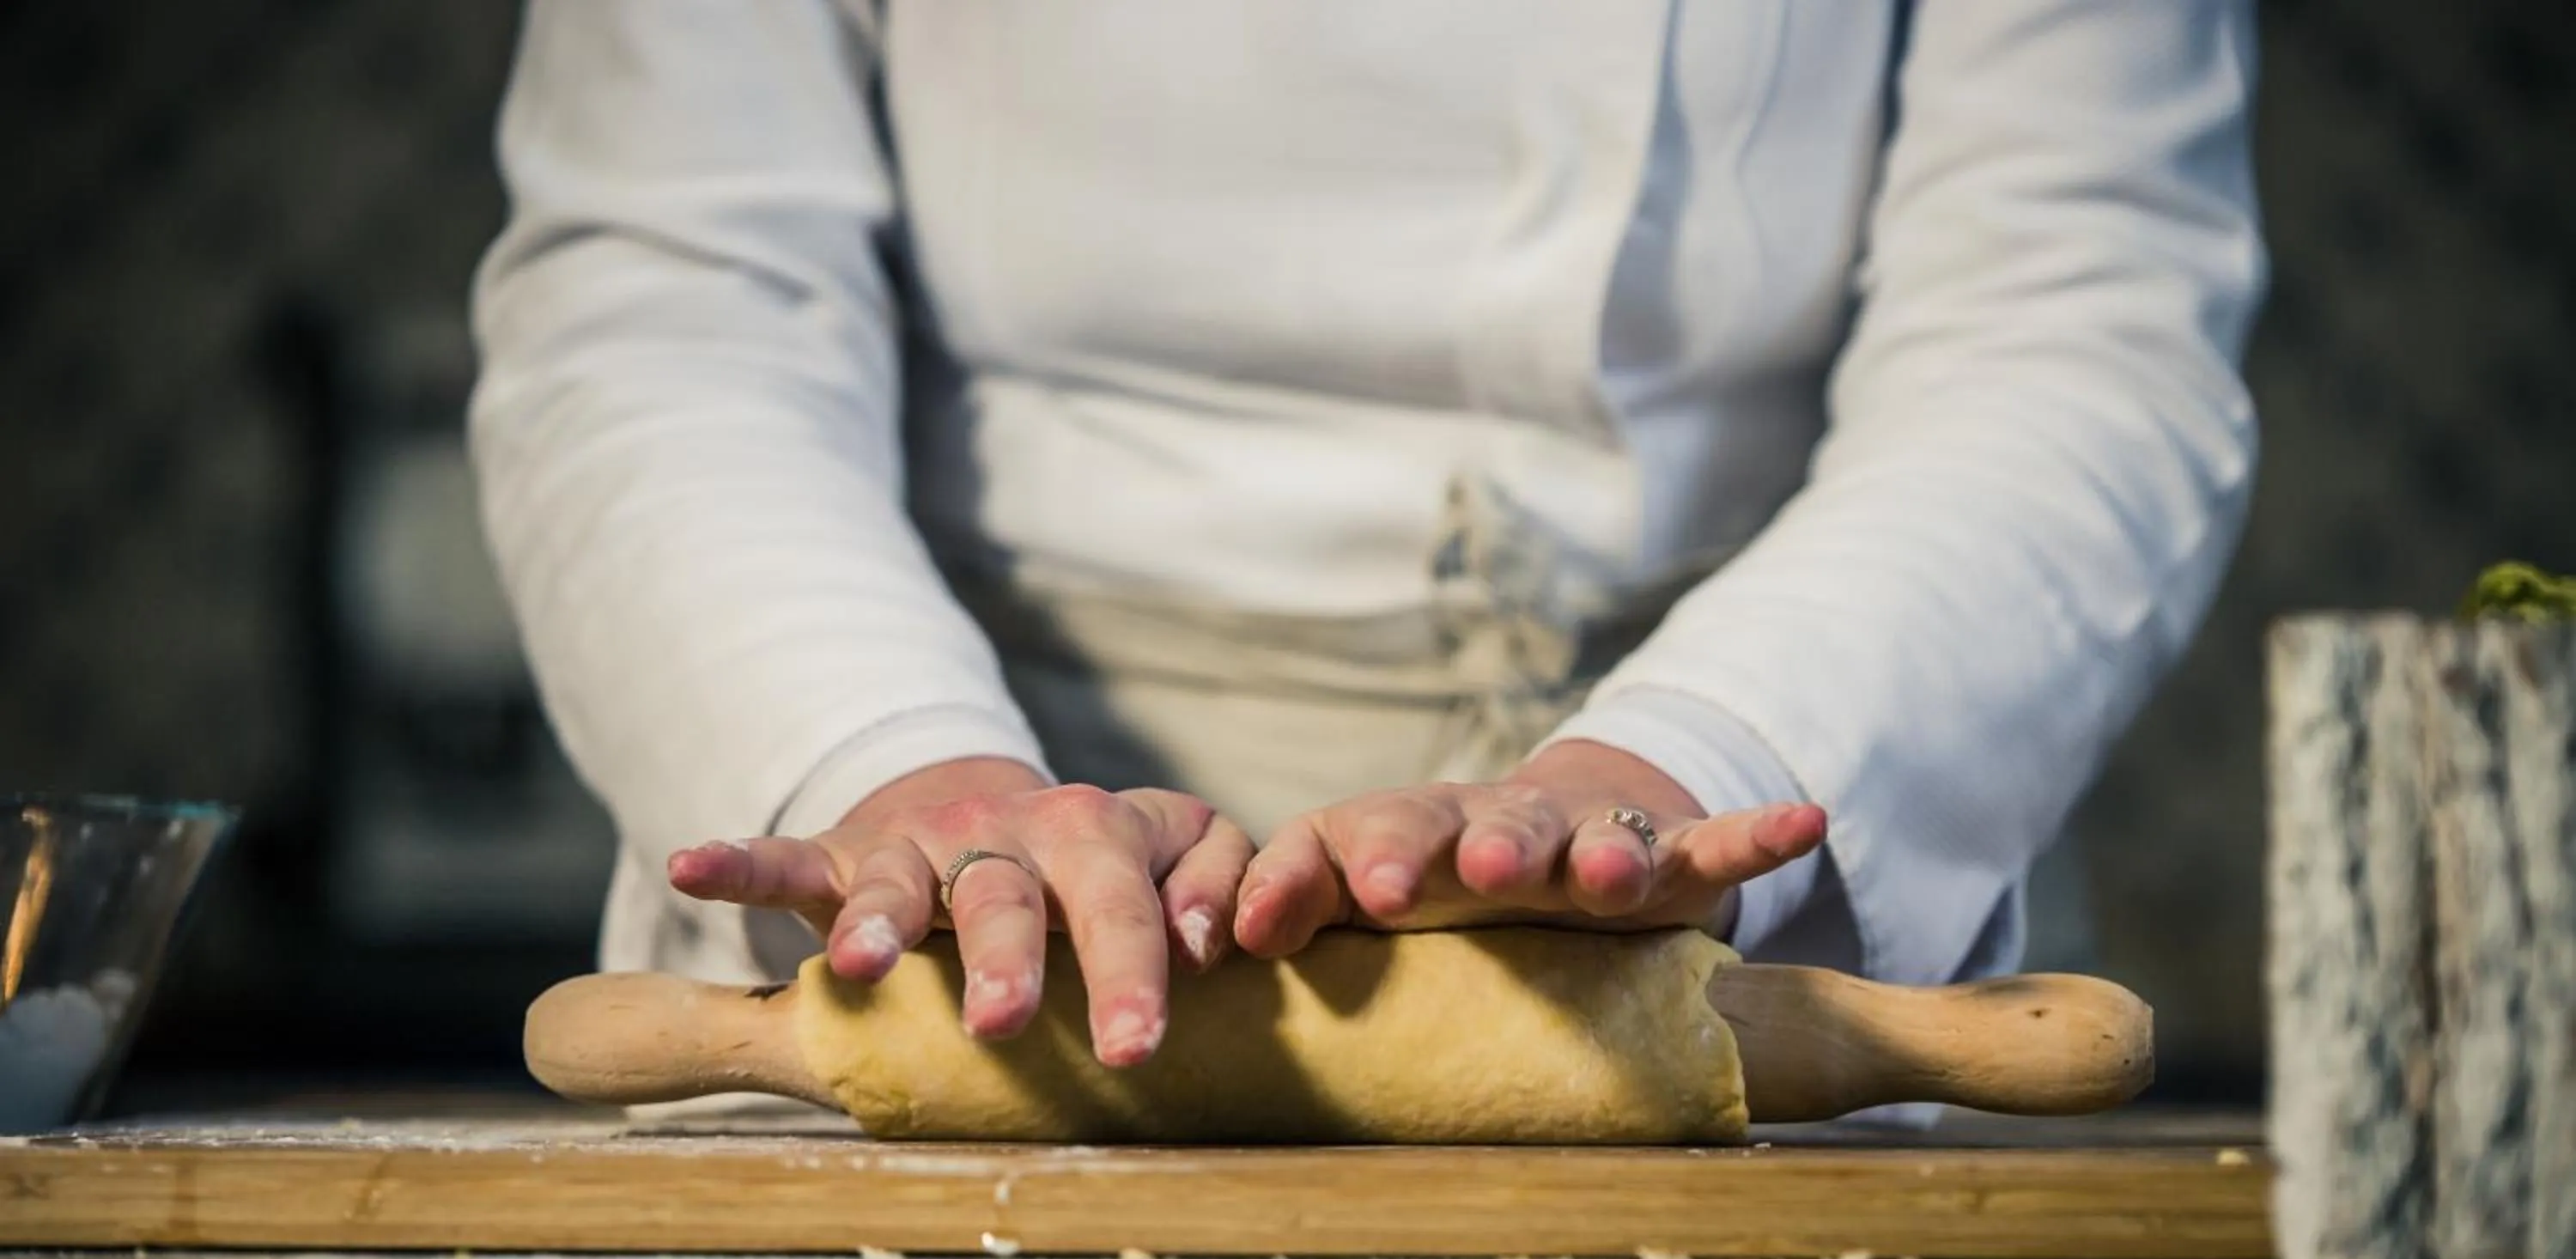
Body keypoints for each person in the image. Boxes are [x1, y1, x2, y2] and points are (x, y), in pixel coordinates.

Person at [471, 1, 2262, 1072]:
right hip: (954, 922)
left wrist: (1678, 768)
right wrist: (900, 782)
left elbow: (2076, 313)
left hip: (1732, 894)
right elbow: (668, 298)